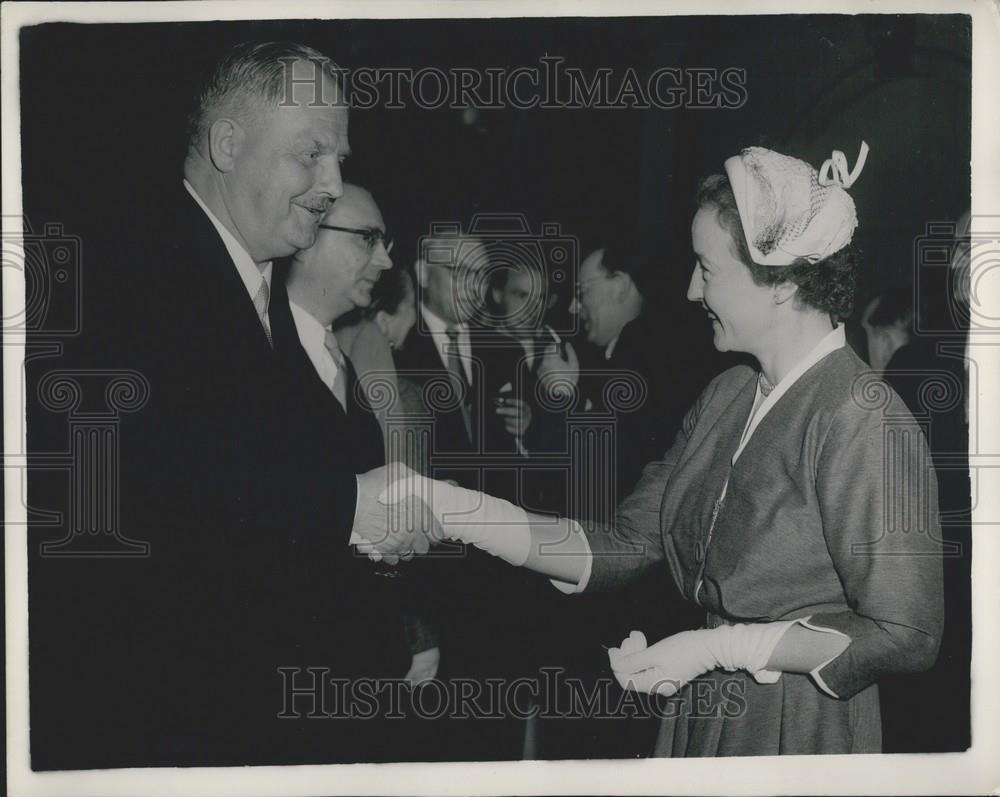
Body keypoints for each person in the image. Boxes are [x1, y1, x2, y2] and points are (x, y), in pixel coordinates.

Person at [360, 141, 945, 756]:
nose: (692, 290)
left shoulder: (861, 415)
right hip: (704, 709)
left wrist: (721, 647)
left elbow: (907, 632)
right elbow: (624, 542)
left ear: (779, 279)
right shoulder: (727, 395)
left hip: (798, 728)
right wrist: (454, 508)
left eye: (707, 268)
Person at [29, 41, 424, 770]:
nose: (334, 183)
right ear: (228, 143)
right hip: (156, 725)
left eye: (339, 157)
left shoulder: (252, 287)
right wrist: (344, 507)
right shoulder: (126, 267)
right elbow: (132, 484)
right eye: (312, 155)